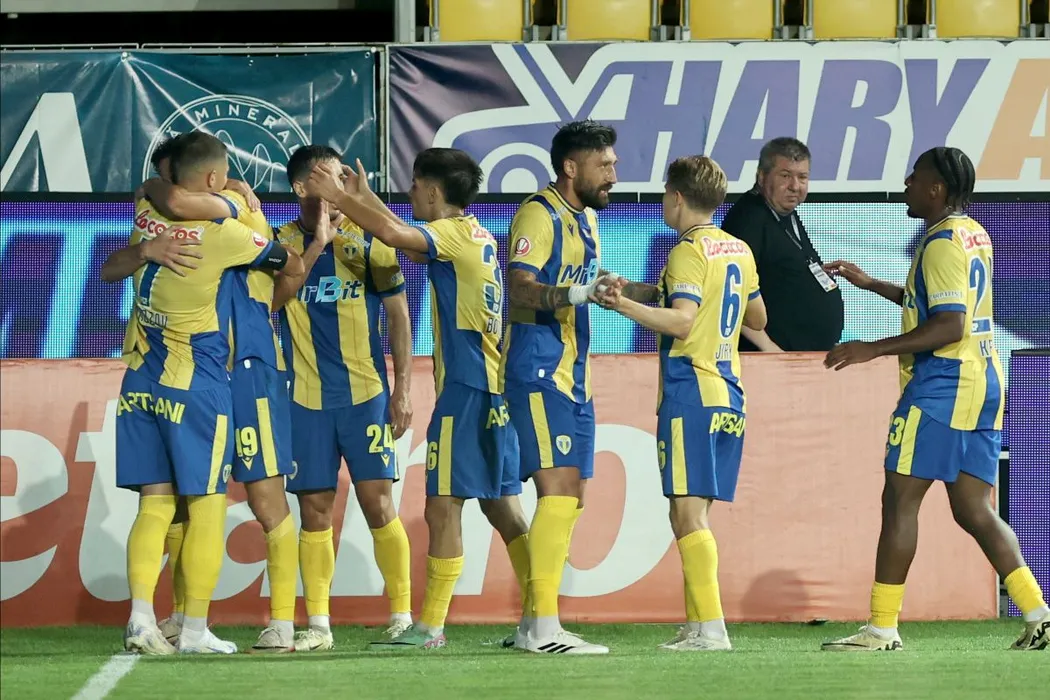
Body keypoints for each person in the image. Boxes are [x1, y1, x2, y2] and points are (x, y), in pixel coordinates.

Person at [820, 146, 1049, 652]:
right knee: (974, 509)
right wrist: (871, 284)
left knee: (900, 500)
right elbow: (940, 304)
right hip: (985, 380)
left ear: (936, 188)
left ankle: (881, 628)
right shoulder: (971, 233)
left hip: (944, 384)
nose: (906, 184)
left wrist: (871, 348)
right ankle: (1038, 613)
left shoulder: (941, 243)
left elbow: (949, 325)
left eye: (914, 177)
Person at [303, 148, 532, 650]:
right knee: (501, 507)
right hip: (496, 389)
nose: (409, 194)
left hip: (466, 391)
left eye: (413, 186)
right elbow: (400, 231)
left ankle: (429, 627)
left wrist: (340, 196)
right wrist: (364, 198)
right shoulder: (475, 234)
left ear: (432, 190)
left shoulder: (450, 234)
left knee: (441, 507)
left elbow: (394, 235)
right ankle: (540, 615)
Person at [109, 135, 312, 652]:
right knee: (197, 504)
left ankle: (275, 622)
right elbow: (286, 262)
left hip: (195, 373)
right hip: (198, 377)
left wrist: (149, 240)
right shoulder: (218, 226)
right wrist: (236, 199)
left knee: (212, 501)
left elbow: (157, 207)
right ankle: (190, 623)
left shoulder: (153, 213)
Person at [598, 156, 765, 651]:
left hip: (692, 390)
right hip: (730, 394)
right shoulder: (738, 248)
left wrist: (622, 304)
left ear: (676, 196)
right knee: (692, 515)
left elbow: (683, 322)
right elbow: (757, 316)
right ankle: (697, 623)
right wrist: (640, 288)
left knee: (687, 515)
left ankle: (711, 627)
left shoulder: (687, 250)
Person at [275, 145, 415, 650]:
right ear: (301, 187)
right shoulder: (278, 243)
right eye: (328, 178)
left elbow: (398, 315)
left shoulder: (372, 239)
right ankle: (318, 625)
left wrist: (403, 389)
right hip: (304, 398)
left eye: (342, 178)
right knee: (314, 510)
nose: (339, 187)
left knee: (379, 502)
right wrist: (317, 243)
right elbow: (272, 301)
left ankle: (403, 616)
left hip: (366, 395)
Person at [720, 137, 843, 352]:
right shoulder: (748, 219)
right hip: (770, 359)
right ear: (762, 177)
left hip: (802, 356)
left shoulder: (785, 212)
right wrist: (769, 349)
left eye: (802, 177)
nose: (795, 186)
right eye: (785, 176)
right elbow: (729, 291)